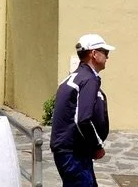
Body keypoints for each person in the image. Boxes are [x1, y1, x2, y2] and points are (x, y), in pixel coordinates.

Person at [50, 33, 114, 187]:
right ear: (94, 54)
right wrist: (97, 145)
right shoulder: (88, 80)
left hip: (70, 151)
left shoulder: (77, 77)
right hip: (73, 153)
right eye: (105, 52)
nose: (107, 57)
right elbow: (83, 119)